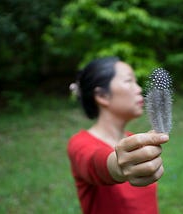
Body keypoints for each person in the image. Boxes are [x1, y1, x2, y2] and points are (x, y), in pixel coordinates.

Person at [67, 56, 169, 214]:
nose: (139, 89)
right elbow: (95, 163)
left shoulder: (135, 141)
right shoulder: (79, 144)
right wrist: (117, 167)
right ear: (102, 96)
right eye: (129, 81)